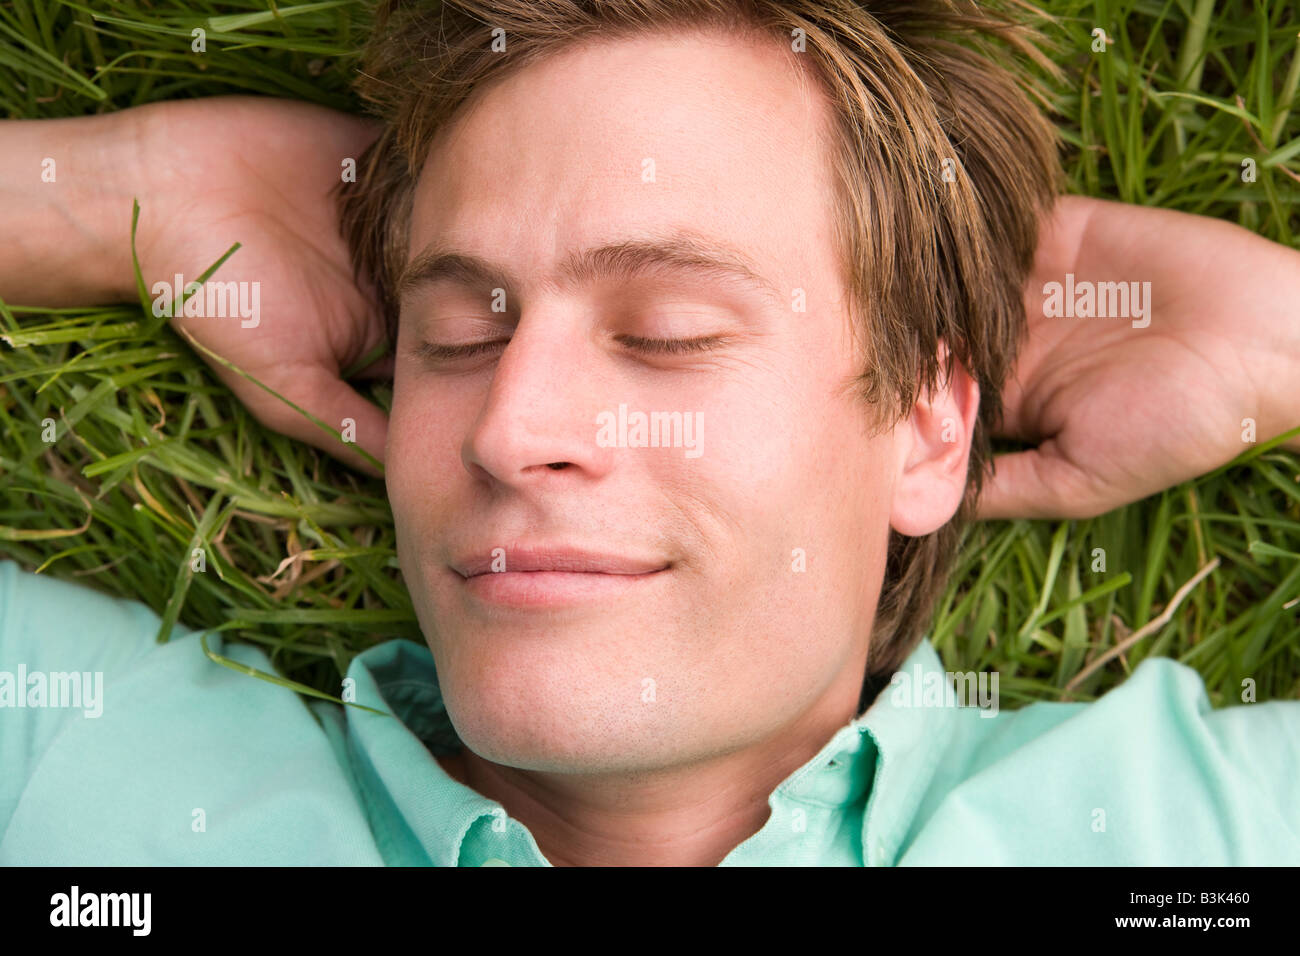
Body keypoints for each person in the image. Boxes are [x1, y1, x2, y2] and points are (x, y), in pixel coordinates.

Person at [1, 0, 1297, 866]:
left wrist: (1275, 334)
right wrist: (122, 192)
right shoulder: (65, 752)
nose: (510, 429)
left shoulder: (1202, 840)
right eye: (456, 331)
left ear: (926, 427)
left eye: (669, 330)